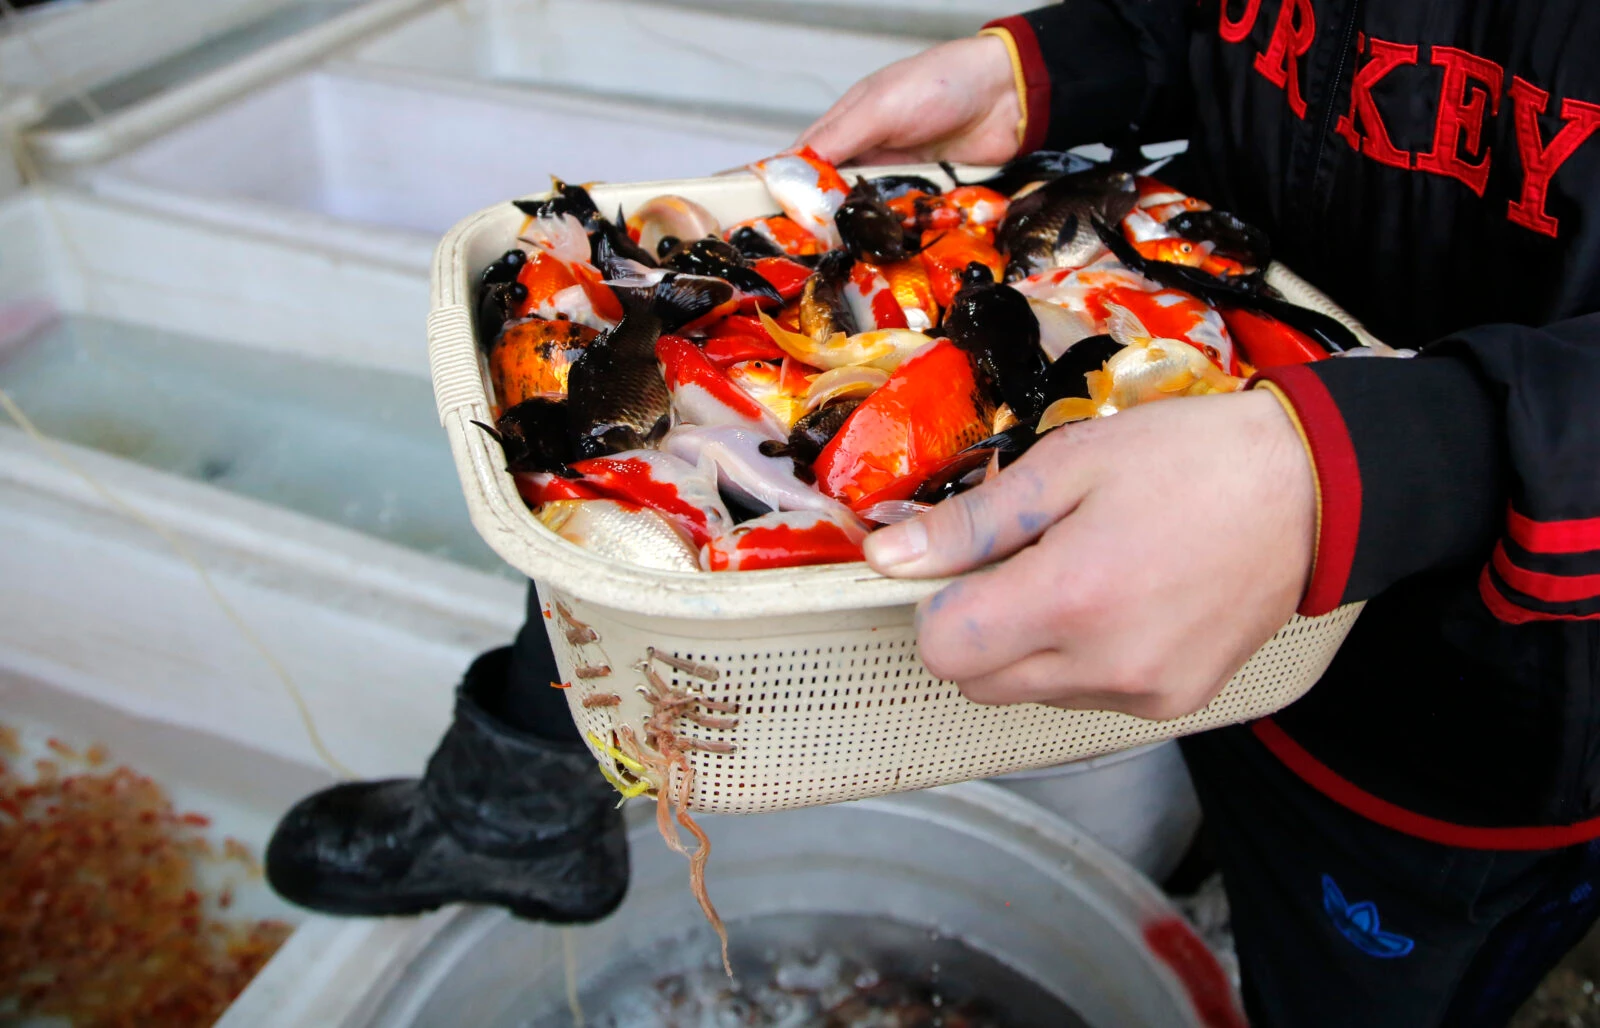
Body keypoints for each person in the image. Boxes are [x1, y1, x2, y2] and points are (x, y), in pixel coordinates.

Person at [268, 2, 1600, 1024]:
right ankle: (519, 798)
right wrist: (1060, 62)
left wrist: (1403, 462)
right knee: (661, 393)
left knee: (1354, 974)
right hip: (1197, 448)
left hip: (1486, 709)